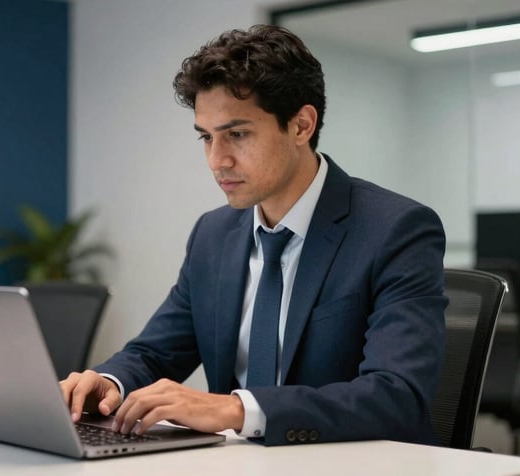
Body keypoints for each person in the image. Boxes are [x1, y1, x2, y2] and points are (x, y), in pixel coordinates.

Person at [60, 24, 447, 446]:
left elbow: (398, 396)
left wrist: (236, 409)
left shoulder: (395, 229)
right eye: (206, 137)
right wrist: (109, 381)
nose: (216, 160)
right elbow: (154, 351)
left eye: (237, 134)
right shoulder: (213, 234)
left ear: (301, 126)